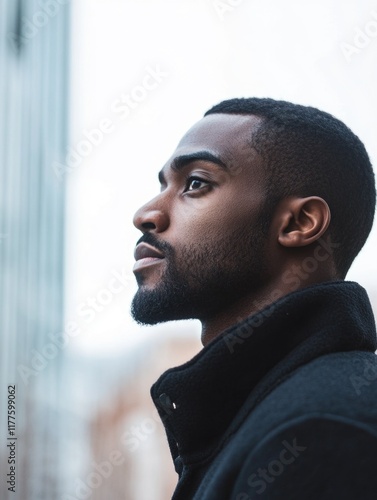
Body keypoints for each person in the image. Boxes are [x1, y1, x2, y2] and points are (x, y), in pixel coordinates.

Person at [131, 98, 377, 499]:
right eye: (163, 185)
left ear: (299, 223)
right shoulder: (258, 419)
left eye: (195, 183)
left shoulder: (322, 429)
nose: (146, 213)